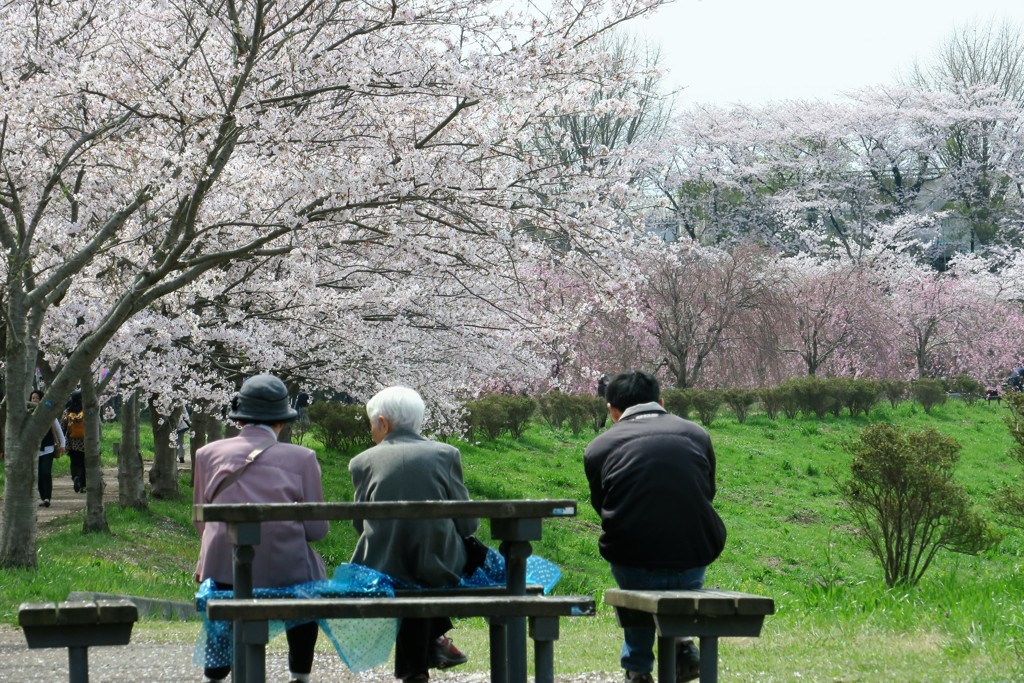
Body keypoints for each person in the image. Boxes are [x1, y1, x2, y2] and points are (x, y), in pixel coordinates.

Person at [583, 371, 727, 683]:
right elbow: (706, 492)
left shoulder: (598, 447)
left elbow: (603, 507)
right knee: (680, 572)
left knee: (635, 586)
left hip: (631, 555)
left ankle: (637, 668)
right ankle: (682, 642)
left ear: (612, 410)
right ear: (661, 402)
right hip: (693, 551)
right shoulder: (697, 434)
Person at [193, 374, 328, 683]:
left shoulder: (206, 454)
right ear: (280, 421)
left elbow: (202, 524)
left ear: (240, 420)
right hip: (285, 574)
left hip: (224, 572)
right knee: (310, 583)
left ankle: (214, 675)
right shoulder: (303, 458)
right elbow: (317, 530)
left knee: (221, 590)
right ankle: (300, 674)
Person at [349, 386, 477, 682]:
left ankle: (419, 666)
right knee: (421, 568)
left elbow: (360, 525)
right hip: (440, 565)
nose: (371, 431)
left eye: (371, 425)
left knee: (403, 569)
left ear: (382, 423)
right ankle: (430, 649)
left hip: (381, 565)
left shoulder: (361, 462)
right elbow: (468, 524)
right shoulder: (446, 454)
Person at [31, 390, 66, 508]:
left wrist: (62, 444)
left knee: (45, 472)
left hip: (48, 448)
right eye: (33, 398)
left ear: (41, 400)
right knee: (38, 475)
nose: (34, 400)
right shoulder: (29, 414)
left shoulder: (49, 414)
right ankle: (42, 496)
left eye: (37, 398)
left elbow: (58, 430)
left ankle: (47, 498)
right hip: (35, 450)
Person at [61, 391, 87, 493]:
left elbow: (63, 425)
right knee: (83, 463)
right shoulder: (85, 410)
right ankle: (83, 485)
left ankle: (75, 477)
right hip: (84, 441)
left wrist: (62, 439)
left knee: (74, 462)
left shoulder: (67, 411)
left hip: (72, 441)